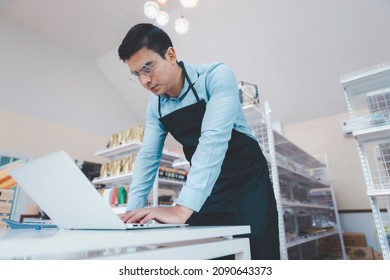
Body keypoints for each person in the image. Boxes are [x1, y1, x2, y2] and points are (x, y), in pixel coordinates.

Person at [118, 23, 280, 260]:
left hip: (248, 183)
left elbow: (212, 139)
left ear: (170, 55)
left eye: (148, 68)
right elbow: (148, 156)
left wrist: (183, 207)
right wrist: (132, 213)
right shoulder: (156, 106)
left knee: (258, 254)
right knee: (212, 256)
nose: (144, 81)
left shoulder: (216, 75)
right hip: (209, 190)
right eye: (136, 74)